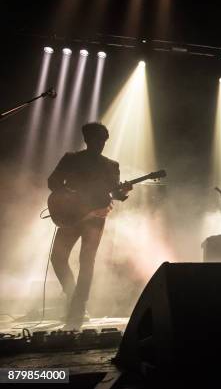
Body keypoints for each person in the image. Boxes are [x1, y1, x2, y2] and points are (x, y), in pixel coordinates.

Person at [48, 122, 131, 329]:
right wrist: (69, 196)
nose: (100, 144)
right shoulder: (71, 159)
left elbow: (115, 193)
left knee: (87, 260)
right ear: (87, 139)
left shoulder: (111, 165)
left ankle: (78, 306)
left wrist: (123, 192)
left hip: (95, 217)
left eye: (103, 141)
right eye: (96, 140)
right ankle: (71, 295)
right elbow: (53, 182)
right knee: (58, 258)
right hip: (71, 215)